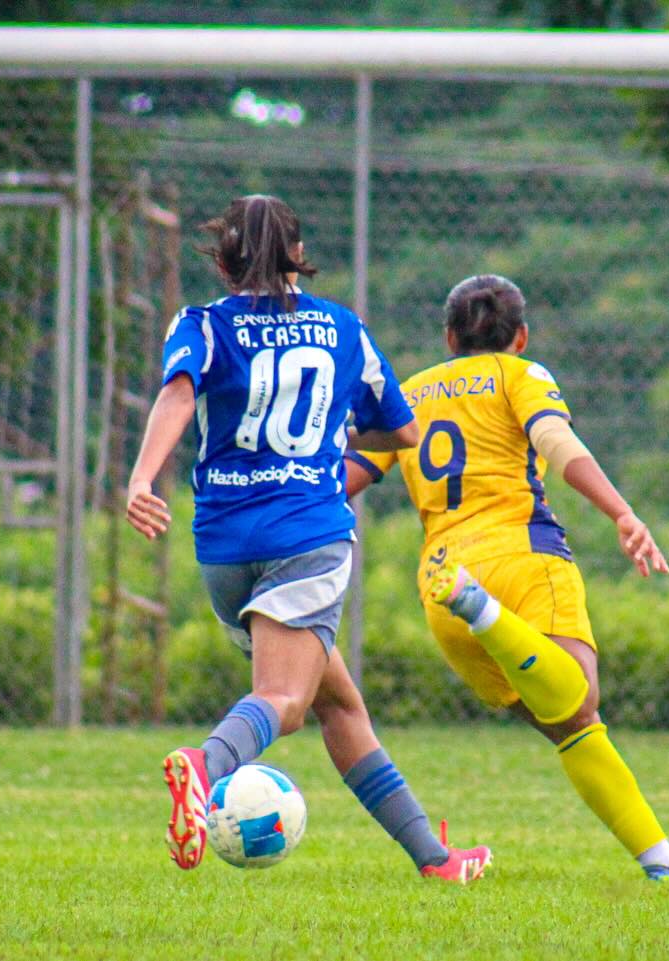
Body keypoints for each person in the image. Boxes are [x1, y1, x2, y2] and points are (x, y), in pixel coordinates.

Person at [125, 195, 490, 883]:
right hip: (306, 535)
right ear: (299, 255)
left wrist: (142, 479)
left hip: (224, 544)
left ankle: (435, 860)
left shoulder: (202, 323)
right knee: (285, 702)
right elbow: (402, 430)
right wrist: (331, 431)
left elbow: (178, 394)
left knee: (338, 705)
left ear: (224, 261)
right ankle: (204, 766)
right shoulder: (342, 328)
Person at [343, 274, 669, 882]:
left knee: (572, 726)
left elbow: (342, 480)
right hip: (523, 558)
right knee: (578, 697)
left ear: (449, 338)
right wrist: (622, 513)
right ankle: (482, 608)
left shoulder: (410, 393)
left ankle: (663, 864)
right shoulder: (519, 375)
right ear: (522, 337)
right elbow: (555, 441)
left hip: (441, 580)